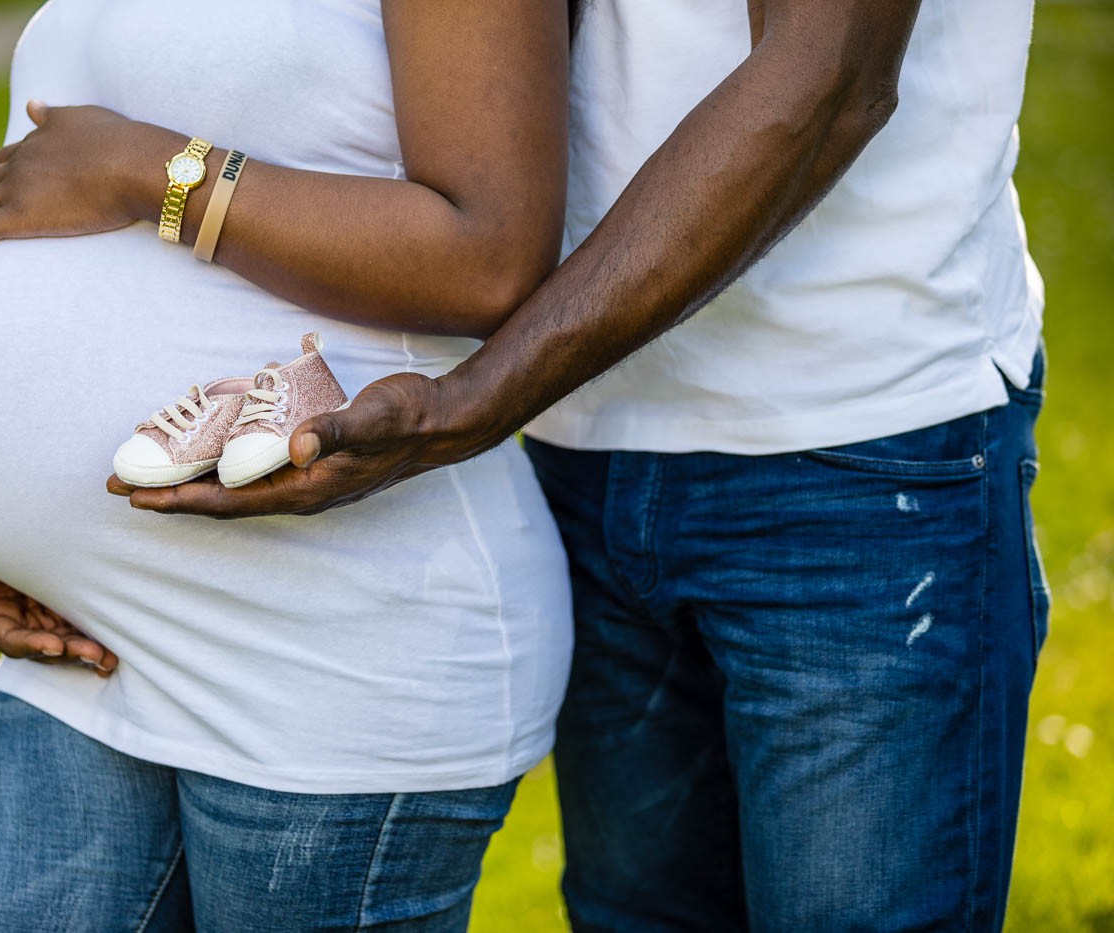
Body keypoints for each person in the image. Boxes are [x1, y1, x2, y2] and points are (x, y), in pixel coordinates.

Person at [90, 0, 1046, 928]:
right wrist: (51, 521)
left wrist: (479, 399)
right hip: (588, 442)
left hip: (863, 453)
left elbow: (829, 76)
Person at [0, 1, 573, 929]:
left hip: (319, 641)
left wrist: (148, 172)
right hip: (96, 637)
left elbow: (490, 255)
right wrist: (22, 520)